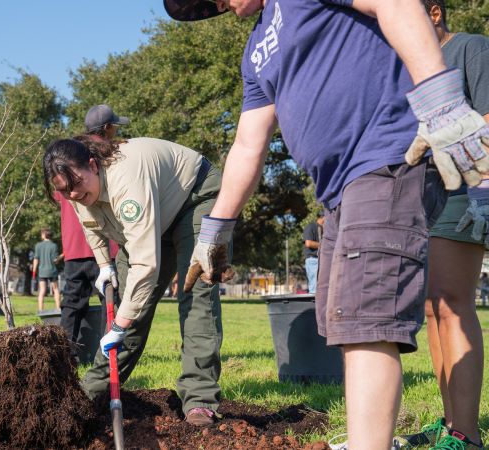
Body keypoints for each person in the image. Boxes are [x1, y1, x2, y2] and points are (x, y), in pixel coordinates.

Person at [165, 1, 489, 448]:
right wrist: (215, 228)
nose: (230, 12)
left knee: (368, 323)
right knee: (343, 324)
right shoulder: (255, 49)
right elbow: (247, 143)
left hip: (384, 158)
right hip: (337, 194)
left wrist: (442, 101)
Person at [43, 135, 223, 427]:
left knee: (195, 296)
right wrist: (104, 264)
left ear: (93, 165)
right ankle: (94, 391)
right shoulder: (73, 187)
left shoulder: (127, 180)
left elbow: (145, 263)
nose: (73, 194)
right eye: (65, 191)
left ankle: (200, 399)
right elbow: (90, 225)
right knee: (129, 304)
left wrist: (120, 324)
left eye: (76, 185)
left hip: (195, 197)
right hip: (155, 217)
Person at [397, 2, 489, 449]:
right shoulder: (410, 67)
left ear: (433, 12)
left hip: (466, 190)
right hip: (423, 194)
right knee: (433, 308)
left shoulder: (472, 48)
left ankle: (467, 435)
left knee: (453, 304)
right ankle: (451, 422)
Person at [56, 191, 120, 361]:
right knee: (110, 302)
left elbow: (58, 197)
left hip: (75, 245)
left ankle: (65, 354)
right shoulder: (99, 170)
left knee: (71, 302)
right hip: (107, 244)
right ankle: (108, 355)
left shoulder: (61, 173)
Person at [33, 228, 61, 311]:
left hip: (42, 271)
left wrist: (34, 271)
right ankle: (58, 308)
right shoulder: (54, 245)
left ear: (44, 235)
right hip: (52, 271)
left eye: (41, 234)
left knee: (42, 290)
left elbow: (36, 259)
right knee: (55, 289)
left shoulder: (38, 245)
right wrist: (62, 256)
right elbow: (55, 261)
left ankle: (41, 310)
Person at [302, 213, 324, 294]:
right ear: (323, 217)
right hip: (313, 260)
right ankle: (313, 305)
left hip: (322, 259)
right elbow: (308, 243)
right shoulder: (311, 227)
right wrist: (324, 245)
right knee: (314, 288)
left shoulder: (324, 229)